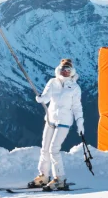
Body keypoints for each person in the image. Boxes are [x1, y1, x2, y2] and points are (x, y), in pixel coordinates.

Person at [32, 57, 84, 190]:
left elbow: (77, 107)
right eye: (62, 69)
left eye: (68, 69)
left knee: (54, 149)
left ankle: (60, 178)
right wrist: (41, 99)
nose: (65, 72)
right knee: (45, 148)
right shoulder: (52, 82)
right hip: (50, 120)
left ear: (72, 71)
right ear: (58, 69)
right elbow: (47, 97)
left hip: (64, 121)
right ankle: (44, 175)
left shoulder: (74, 87)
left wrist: (80, 124)